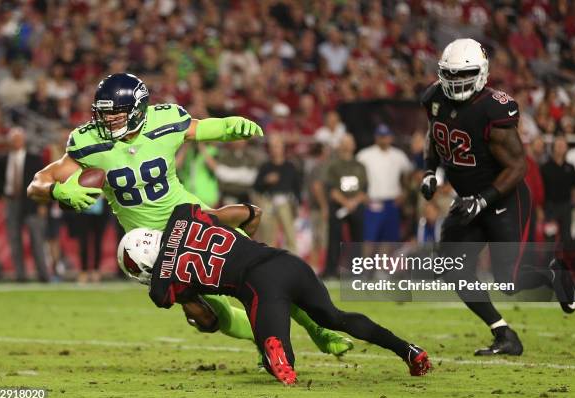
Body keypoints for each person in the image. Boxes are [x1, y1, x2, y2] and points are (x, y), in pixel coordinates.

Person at [27, 73, 352, 357]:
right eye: (104, 115)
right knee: (217, 317)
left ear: (138, 110)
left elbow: (198, 128)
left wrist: (227, 127)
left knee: (266, 272)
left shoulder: (163, 121)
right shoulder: (89, 142)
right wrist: (54, 190)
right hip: (152, 247)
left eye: (115, 115)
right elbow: (39, 181)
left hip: (194, 220)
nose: (107, 121)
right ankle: (266, 344)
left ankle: (318, 330)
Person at [118, 203, 432, 385]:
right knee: (336, 317)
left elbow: (209, 320)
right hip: (286, 262)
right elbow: (248, 212)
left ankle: (273, 349)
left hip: (259, 286)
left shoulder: (163, 283)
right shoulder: (182, 215)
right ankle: (409, 351)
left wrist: (191, 309)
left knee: (278, 363)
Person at [420, 38, 575, 356]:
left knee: (509, 280)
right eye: (449, 74)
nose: (455, 82)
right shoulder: (434, 98)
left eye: (462, 74)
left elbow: (518, 166)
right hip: (468, 200)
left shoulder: (493, 107)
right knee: (451, 266)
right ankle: (504, 334)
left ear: (482, 73)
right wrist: (429, 171)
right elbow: (435, 136)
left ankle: (552, 273)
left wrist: (483, 199)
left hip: (503, 198)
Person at [0, 128, 49, 282]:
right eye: (13, 139)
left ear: (23, 140)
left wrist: (42, 203)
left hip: (32, 203)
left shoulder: (34, 159)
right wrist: (2, 195)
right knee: (14, 240)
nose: (16, 142)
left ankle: (43, 275)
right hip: (12, 202)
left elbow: (43, 182)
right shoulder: (3, 160)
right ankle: (20, 275)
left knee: (37, 240)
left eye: (18, 139)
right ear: (9, 142)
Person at [356, 124, 412, 242]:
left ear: (391, 137)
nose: (383, 139)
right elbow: (353, 173)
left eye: (386, 136)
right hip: (373, 203)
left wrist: (405, 192)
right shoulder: (365, 155)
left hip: (392, 203)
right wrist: (359, 193)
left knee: (389, 241)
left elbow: (409, 173)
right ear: (376, 137)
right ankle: (367, 261)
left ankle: (383, 262)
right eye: (381, 136)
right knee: (369, 240)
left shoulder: (398, 155)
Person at [323, 134, 368, 277]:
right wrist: (345, 203)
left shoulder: (360, 166)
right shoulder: (334, 166)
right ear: (340, 146)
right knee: (334, 238)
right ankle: (331, 271)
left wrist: (354, 202)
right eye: (345, 143)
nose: (348, 145)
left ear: (354, 145)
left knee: (358, 239)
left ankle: (357, 271)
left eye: (350, 142)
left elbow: (365, 189)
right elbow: (331, 189)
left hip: (356, 205)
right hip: (338, 205)